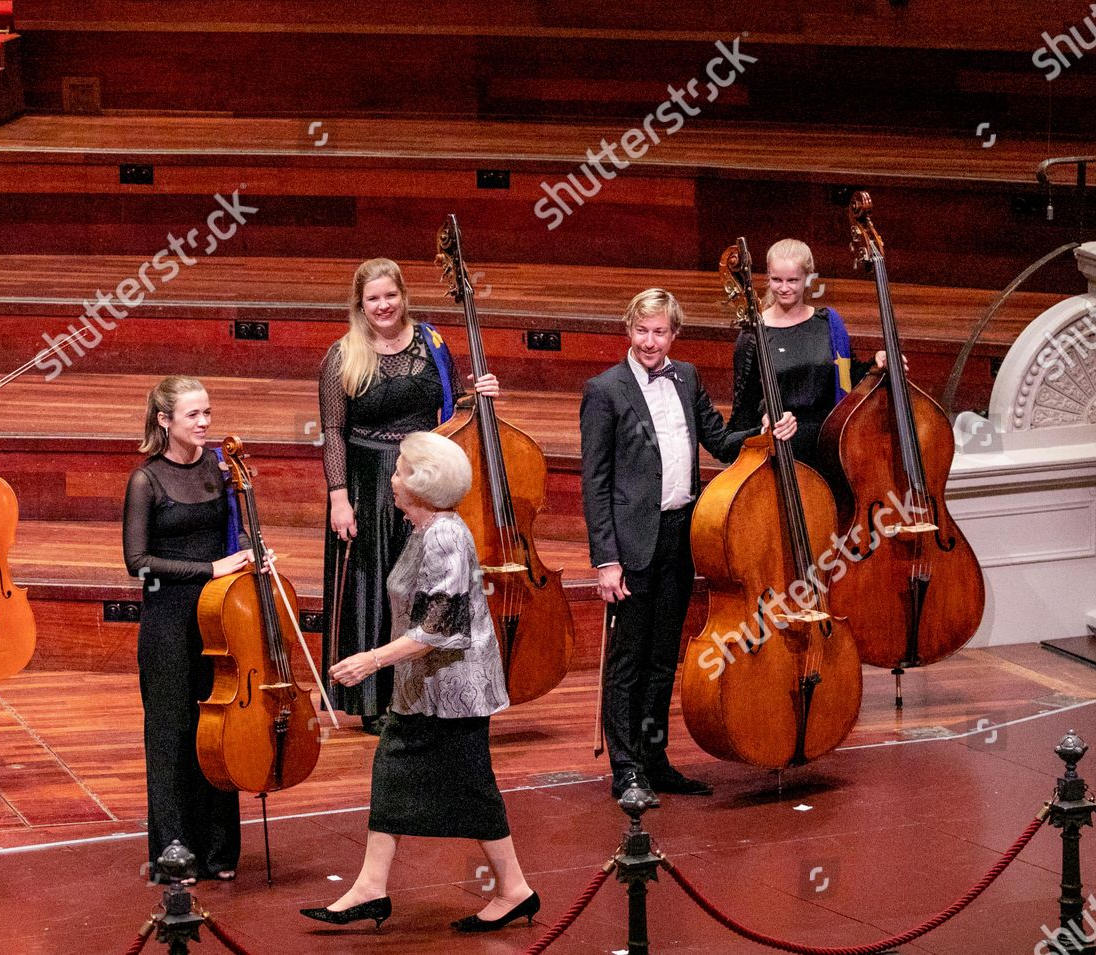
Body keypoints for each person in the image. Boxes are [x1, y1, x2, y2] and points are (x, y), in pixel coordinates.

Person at [303, 432, 536, 933]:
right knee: (393, 771)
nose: (392, 477)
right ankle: (371, 886)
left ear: (424, 483)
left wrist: (371, 660)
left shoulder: (446, 537)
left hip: (454, 692)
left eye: (401, 470)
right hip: (425, 690)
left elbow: (440, 626)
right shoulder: (421, 528)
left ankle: (513, 889)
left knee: (472, 790)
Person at [581, 289, 796, 801]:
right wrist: (606, 560)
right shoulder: (604, 390)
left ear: (673, 334)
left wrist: (763, 433)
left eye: (660, 332)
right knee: (628, 663)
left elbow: (720, 443)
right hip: (632, 544)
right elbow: (596, 482)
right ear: (628, 330)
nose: (650, 341)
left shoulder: (687, 377)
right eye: (642, 330)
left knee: (662, 659)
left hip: (682, 536)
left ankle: (655, 760)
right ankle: (626, 771)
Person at [319, 258, 497, 735]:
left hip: (424, 476)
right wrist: (339, 496)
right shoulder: (342, 355)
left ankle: (419, 692)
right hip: (367, 480)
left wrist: (477, 395)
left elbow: (452, 403)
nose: (383, 305)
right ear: (360, 303)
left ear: (403, 296)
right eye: (373, 298)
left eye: (390, 295)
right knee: (375, 584)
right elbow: (333, 431)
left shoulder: (433, 343)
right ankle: (374, 701)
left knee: (425, 582)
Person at [123, 376, 254, 883]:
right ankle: (174, 850)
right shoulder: (146, 481)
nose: (204, 424)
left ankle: (220, 850)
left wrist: (248, 556)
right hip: (169, 624)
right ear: (165, 421)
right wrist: (210, 571)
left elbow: (234, 534)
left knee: (217, 729)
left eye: (207, 414)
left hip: (220, 622)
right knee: (173, 734)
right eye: (194, 416)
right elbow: (137, 563)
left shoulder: (221, 472)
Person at [729, 238, 886, 465]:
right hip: (783, 444)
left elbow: (847, 377)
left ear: (807, 277)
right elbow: (744, 407)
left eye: (793, 280)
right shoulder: (753, 334)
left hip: (829, 443)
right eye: (776, 279)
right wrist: (764, 422)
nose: (784, 288)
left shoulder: (828, 322)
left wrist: (876, 362)